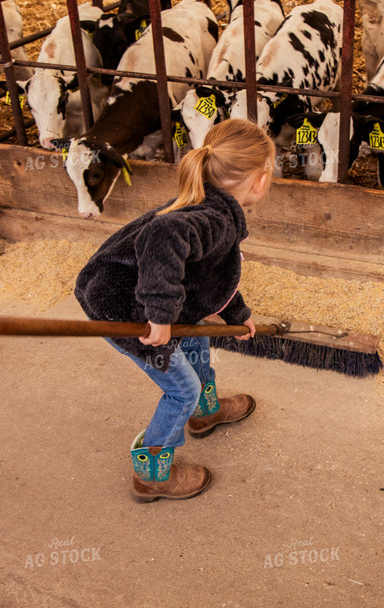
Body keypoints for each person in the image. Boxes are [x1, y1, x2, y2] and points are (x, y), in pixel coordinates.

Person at [74, 118, 275, 502]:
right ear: (260, 180)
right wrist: (161, 316)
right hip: (123, 309)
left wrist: (238, 314)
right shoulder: (212, 218)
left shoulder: (212, 208)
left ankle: (205, 412)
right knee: (181, 389)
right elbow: (161, 236)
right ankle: (152, 474)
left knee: (196, 337)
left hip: (142, 299)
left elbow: (210, 277)